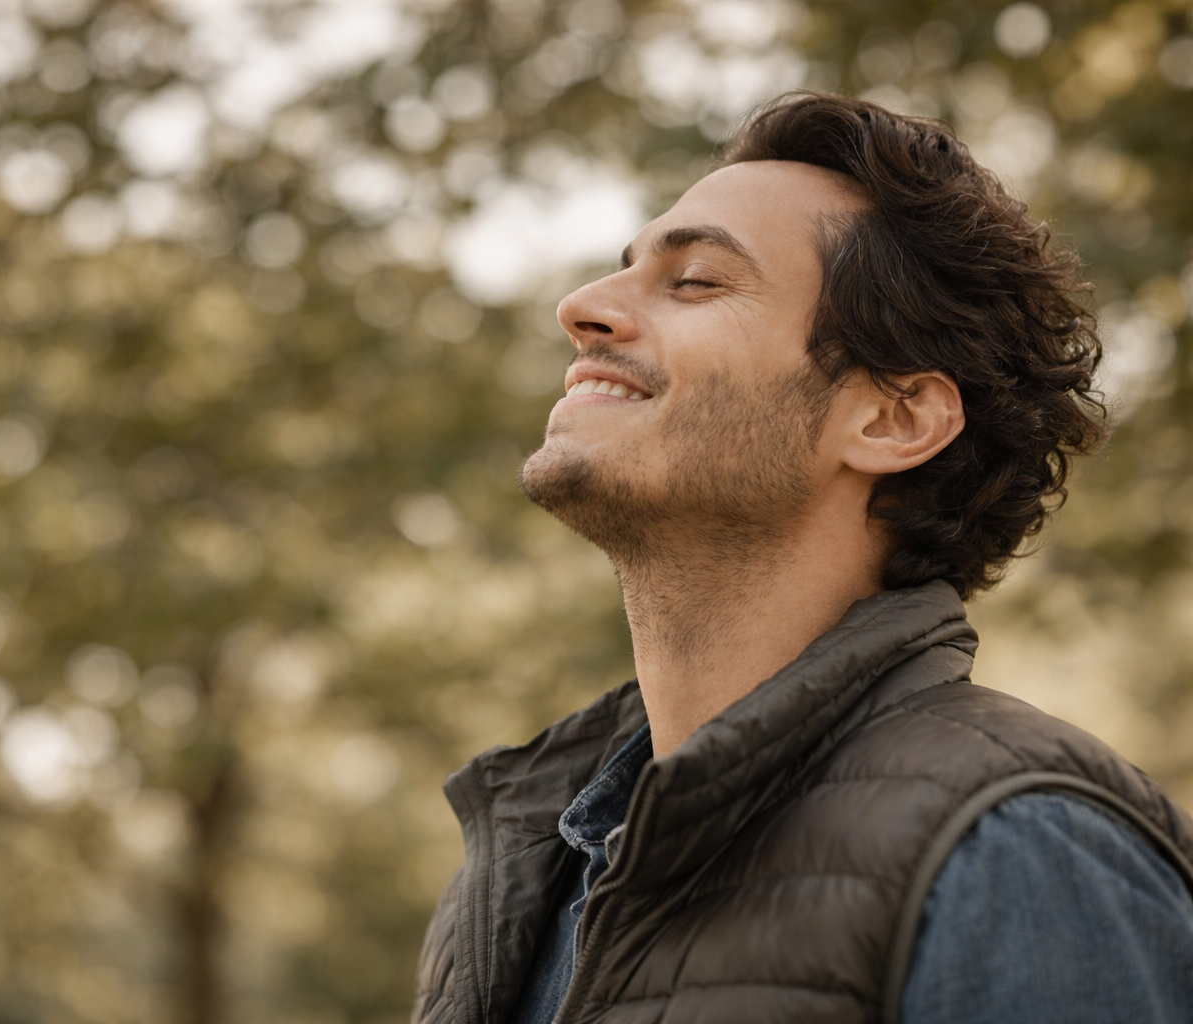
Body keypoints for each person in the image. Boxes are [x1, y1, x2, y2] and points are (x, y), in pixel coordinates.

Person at [410, 94, 1193, 1024]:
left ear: (892, 418)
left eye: (695, 280)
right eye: (624, 270)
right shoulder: (523, 866)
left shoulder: (1019, 846)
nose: (579, 307)